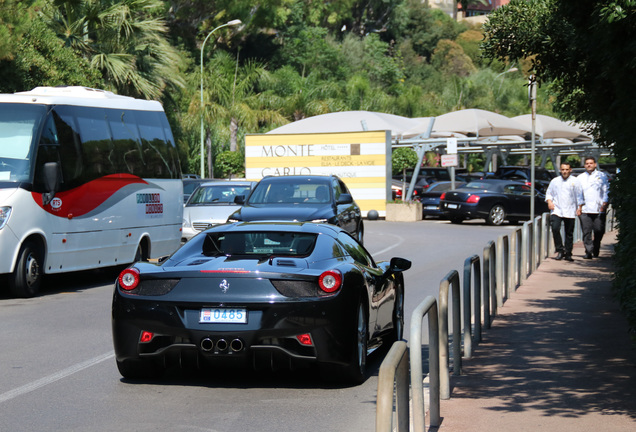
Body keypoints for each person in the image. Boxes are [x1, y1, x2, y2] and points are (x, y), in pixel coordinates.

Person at [545, 162, 584, 261]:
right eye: (563, 169)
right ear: (560, 170)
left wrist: (579, 208)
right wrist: (550, 202)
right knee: (555, 228)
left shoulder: (575, 181)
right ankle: (559, 250)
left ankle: (568, 252)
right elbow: (549, 193)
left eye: (567, 169)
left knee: (569, 233)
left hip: (570, 209)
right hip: (557, 209)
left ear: (570, 170)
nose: (565, 172)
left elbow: (579, 195)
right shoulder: (555, 181)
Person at [577, 156, 610, 259]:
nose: (589, 165)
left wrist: (604, 204)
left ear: (595, 164)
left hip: (599, 209)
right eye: (587, 163)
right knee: (586, 232)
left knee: (599, 230)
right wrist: (579, 207)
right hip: (585, 209)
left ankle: (596, 248)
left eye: (591, 163)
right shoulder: (580, 177)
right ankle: (588, 251)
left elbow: (606, 191)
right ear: (585, 165)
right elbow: (578, 194)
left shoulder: (602, 176)